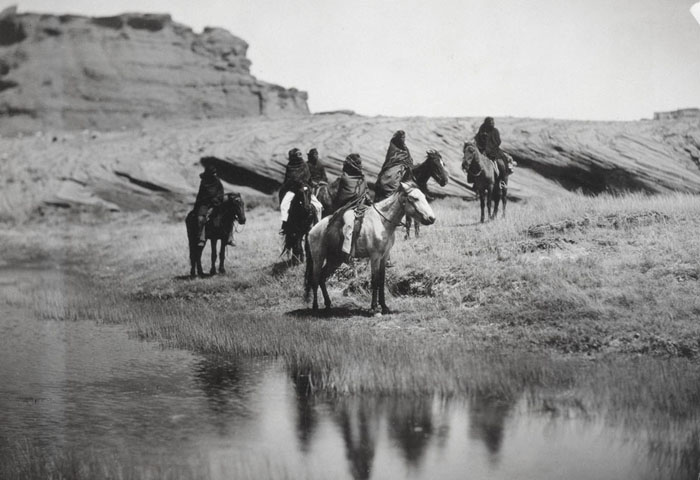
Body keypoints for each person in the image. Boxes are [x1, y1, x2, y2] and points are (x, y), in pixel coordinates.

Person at [334, 153, 372, 264]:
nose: (360, 165)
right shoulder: (345, 178)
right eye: (358, 163)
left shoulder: (362, 178)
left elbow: (365, 191)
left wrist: (368, 199)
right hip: (349, 207)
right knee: (349, 225)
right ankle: (346, 255)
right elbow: (343, 196)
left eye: (360, 163)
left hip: (363, 206)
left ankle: (383, 255)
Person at [279, 148, 323, 233]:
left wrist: (309, 185)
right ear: (293, 156)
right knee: (284, 205)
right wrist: (292, 186)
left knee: (318, 206)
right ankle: (285, 225)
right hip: (293, 189)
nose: (300, 156)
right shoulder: (289, 166)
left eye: (300, 154)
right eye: (298, 154)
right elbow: (288, 180)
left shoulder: (304, 165)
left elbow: (308, 177)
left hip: (305, 189)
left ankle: (318, 226)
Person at [193, 164, 233, 247]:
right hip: (205, 204)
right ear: (209, 174)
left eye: (215, 173)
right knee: (201, 219)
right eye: (213, 173)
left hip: (217, 202)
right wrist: (197, 205)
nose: (215, 174)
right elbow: (200, 195)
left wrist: (217, 200)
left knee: (229, 215)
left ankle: (230, 237)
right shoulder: (203, 182)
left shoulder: (217, 181)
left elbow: (221, 192)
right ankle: (201, 238)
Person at [374, 130, 415, 202]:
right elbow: (393, 157)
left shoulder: (405, 147)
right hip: (394, 165)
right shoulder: (394, 145)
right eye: (402, 137)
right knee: (392, 176)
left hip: (404, 166)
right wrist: (402, 161)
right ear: (398, 138)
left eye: (404, 137)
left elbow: (409, 158)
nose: (403, 139)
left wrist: (408, 162)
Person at [474, 117, 514, 182]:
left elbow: (498, 141)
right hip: (481, 150)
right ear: (486, 123)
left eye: (493, 123)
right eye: (490, 123)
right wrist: (482, 139)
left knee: (501, 164)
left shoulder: (495, 131)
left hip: (494, 151)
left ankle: (502, 180)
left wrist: (490, 148)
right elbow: (477, 138)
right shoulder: (482, 129)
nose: (492, 124)